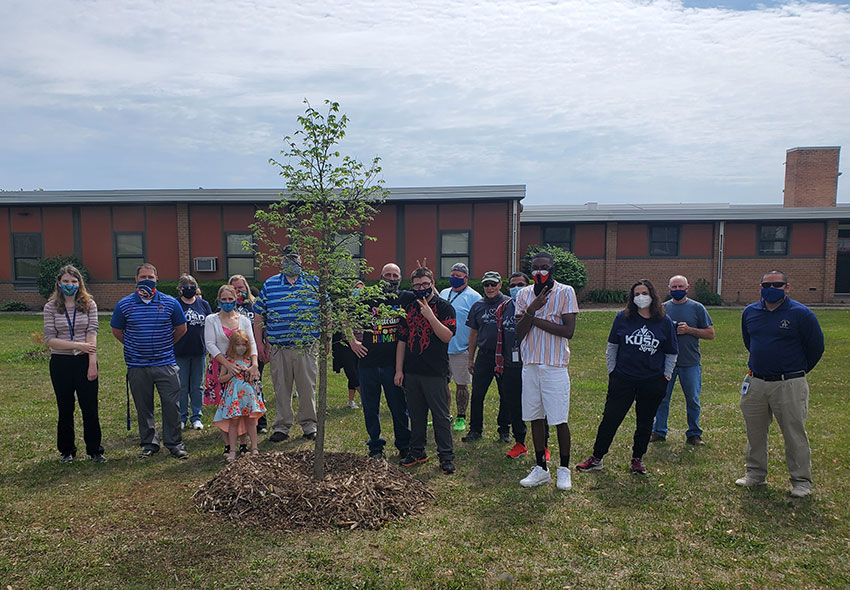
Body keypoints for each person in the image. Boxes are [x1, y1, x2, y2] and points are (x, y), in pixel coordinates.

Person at [576, 279, 678, 476]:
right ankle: (597, 457)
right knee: (610, 418)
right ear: (632, 298)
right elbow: (612, 347)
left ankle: (637, 459)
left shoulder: (663, 321)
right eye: (637, 294)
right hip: (623, 379)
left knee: (645, 422)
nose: (641, 297)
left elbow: (671, 352)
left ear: (653, 296)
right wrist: (612, 372)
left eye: (644, 293)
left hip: (652, 380)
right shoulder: (623, 318)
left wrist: (665, 376)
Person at [737, 270, 824, 498]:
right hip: (755, 382)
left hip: (789, 383)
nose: (771, 288)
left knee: (794, 433)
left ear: (787, 287)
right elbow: (750, 341)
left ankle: (801, 481)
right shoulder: (750, 312)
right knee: (755, 432)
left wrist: (795, 371)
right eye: (766, 284)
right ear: (760, 288)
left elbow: (816, 348)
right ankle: (755, 474)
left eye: (777, 284)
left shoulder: (801, 314)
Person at [110, 263, 189, 459]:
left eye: (150, 277)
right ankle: (149, 443)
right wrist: (134, 346)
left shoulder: (170, 303)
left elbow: (181, 329)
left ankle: (175, 443)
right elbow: (117, 331)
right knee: (144, 407)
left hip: (165, 363)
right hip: (137, 365)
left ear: (156, 279)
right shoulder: (124, 304)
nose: (147, 280)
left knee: (172, 405)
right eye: (143, 277)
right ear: (136, 279)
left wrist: (166, 344)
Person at [515, 252, 579, 490]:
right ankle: (541, 467)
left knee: (559, 418)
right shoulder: (523, 294)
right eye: (534, 268)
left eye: (544, 268)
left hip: (554, 364)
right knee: (535, 417)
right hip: (530, 364)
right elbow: (518, 333)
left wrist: (533, 318)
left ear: (552, 269)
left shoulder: (565, 292)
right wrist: (532, 309)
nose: (538, 272)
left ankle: (564, 469)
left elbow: (568, 330)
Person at [394, 267, 457, 474]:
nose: (421, 288)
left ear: (432, 284)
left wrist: (430, 316)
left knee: (440, 416)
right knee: (416, 414)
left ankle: (446, 456)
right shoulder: (409, 308)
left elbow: (447, 336)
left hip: (435, 371)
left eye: (424, 284)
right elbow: (402, 340)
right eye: (417, 285)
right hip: (412, 371)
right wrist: (399, 370)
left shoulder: (444, 307)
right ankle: (417, 451)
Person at [254, 246, 320, 442]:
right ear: (282, 261)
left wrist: (326, 341)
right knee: (281, 389)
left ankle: (309, 426)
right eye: (287, 259)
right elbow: (259, 314)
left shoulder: (313, 283)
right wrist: (259, 343)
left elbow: (327, 312)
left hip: (306, 348)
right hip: (278, 348)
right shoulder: (270, 284)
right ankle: (282, 426)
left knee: (307, 389)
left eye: (295, 258)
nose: (291, 262)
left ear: (301, 259)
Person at [348, 263, 412, 460]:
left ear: (400, 278)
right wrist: (353, 342)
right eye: (387, 275)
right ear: (380, 277)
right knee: (370, 408)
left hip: (394, 365)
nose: (391, 279)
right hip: (368, 363)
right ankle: (375, 445)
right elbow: (344, 316)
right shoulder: (368, 297)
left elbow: (430, 298)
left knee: (399, 408)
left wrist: (427, 277)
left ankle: (404, 445)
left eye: (395, 275)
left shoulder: (405, 297)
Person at [43, 264, 104, 463]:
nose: (70, 285)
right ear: (59, 284)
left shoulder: (89, 304)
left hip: (84, 360)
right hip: (61, 362)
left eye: (74, 281)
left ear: (80, 283)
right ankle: (67, 450)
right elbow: (50, 339)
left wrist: (92, 363)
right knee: (65, 407)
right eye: (66, 281)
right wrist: (77, 344)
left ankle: (95, 450)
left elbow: (92, 332)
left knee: (90, 407)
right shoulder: (51, 307)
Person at [651, 275, 715, 445]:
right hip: (666, 364)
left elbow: (710, 334)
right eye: (674, 287)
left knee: (693, 399)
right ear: (669, 289)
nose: (677, 290)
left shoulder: (697, 308)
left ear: (687, 288)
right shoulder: (662, 309)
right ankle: (659, 431)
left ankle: (694, 433)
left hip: (690, 362)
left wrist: (689, 330)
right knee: (661, 398)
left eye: (681, 287)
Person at [205, 284, 260, 455]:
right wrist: (227, 365)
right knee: (225, 408)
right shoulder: (211, 319)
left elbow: (251, 342)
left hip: (243, 369)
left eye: (230, 299)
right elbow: (210, 344)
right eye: (224, 299)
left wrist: (254, 364)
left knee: (242, 406)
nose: (227, 302)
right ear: (219, 300)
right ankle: (228, 444)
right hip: (220, 366)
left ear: (235, 300)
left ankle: (243, 443)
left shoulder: (243, 320)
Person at [462, 271, 510, 443]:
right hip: (484, 355)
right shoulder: (478, 306)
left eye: (493, 284)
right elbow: (473, 333)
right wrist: (470, 358)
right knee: (477, 394)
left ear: (500, 285)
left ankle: (504, 430)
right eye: (486, 284)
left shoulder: (509, 304)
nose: (489, 288)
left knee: (505, 394)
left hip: (503, 356)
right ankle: (475, 429)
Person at [439, 262, 481, 431]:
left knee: (462, 384)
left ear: (466, 278)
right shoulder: (444, 293)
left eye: (458, 276)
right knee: (442, 383)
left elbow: (476, 326)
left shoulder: (474, 297)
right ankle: (444, 415)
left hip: (462, 348)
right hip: (442, 347)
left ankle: (461, 417)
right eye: (452, 275)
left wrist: (471, 350)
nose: (454, 278)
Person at [214, 330, 266, 462]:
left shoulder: (249, 361)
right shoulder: (228, 361)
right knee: (234, 421)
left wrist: (249, 371)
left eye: (244, 345)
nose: (241, 348)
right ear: (232, 346)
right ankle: (232, 450)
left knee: (251, 421)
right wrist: (232, 372)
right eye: (238, 345)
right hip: (234, 396)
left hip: (248, 395)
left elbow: (255, 377)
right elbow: (221, 378)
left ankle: (254, 447)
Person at [495, 272, 531, 459]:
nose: (516, 288)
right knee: (514, 405)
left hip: (531, 364)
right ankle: (520, 442)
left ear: (528, 286)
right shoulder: (504, 307)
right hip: (510, 365)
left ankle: (544, 444)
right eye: (512, 285)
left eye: (520, 284)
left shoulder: (535, 307)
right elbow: (500, 337)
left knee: (538, 405)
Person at [229, 273, 269, 434]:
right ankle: (239, 422)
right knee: (238, 387)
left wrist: (265, 347)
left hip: (254, 351)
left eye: (241, 287)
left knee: (255, 385)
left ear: (246, 287)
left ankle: (261, 422)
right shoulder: (228, 306)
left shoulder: (256, 305)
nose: (239, 291)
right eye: (235, 288)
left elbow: (265, 326)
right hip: (235, 354)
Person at [174, 274, 212, 430]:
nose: (189, 289)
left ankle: (196, 416)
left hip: (199, 351)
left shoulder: (203, 304)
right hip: (179, 351)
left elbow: (210, 325)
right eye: (186, 287)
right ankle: (182, 416)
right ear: (180, 289)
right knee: (181, 386)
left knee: (197, 386)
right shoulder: (175, 304)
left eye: (192, 286)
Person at [332, 280, 365, 410]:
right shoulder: (345, 306)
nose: (359, 292)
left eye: (362, 290)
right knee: (351, 372)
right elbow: (343, 323)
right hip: (346, 344)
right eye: (357, 289)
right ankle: (365, 397)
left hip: (362, 343)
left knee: (358, 372)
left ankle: (351, 401)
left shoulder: (366, 307)